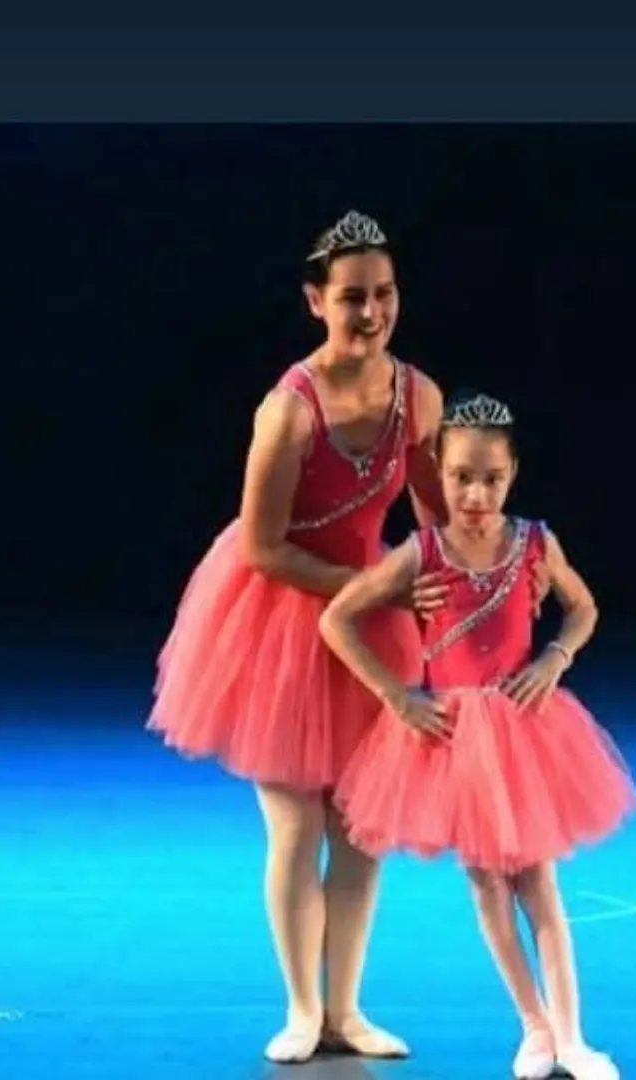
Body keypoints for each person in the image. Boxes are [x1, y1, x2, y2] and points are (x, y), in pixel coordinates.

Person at [148, 211, 463, 1064]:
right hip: (280, 613)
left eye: (385, 294)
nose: (372, 312)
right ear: (315, 302)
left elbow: (435, 521)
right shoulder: (288, 410)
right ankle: (300, 1008)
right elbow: (263, 547)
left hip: (369, 618)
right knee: (295, 824)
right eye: (353, 297)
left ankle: (347, 1011)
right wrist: (373, 589)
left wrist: (472, 583)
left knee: (361, 828)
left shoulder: (419, 398)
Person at [320, 391, 636, 1080]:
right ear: (438, 471)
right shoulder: (423, 551)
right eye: (461, 476)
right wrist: (396, 696)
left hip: (524, 729)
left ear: (513, 473)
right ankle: (533, 1027)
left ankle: (574, 1038)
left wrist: (555, 657)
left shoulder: (534, 543)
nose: (475, 494)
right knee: (487, 885)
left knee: (539, 883)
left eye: (492, 478)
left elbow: (583, 607)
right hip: (455, 739)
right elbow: (337, 619)